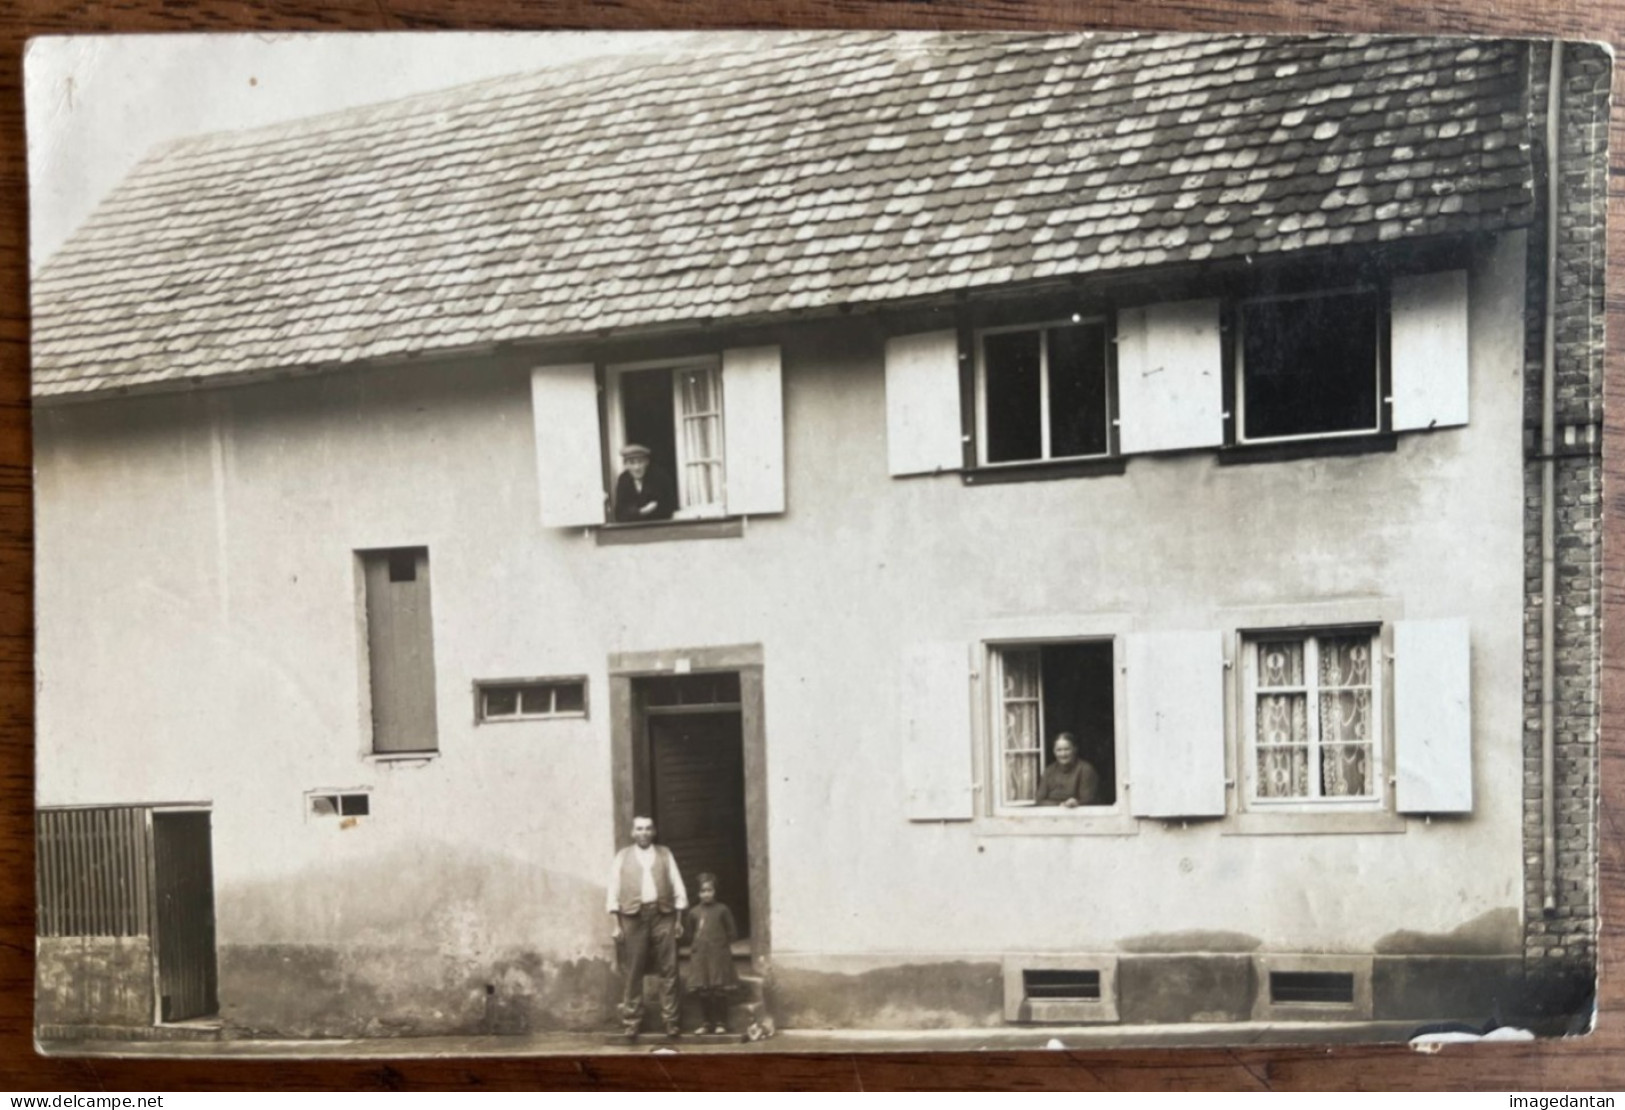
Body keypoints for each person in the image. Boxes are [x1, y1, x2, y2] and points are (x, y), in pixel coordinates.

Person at [606, 815, 688, 1037]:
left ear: (654, 832)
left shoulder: (665, 854)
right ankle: (632, 1020)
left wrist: (679, 920)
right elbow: (613, 890)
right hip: (632, 917)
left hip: (664, 915)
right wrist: (617, 924)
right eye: (639, 829)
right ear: (633, 833)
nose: (643, 832)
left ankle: (671, 1020)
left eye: (648, 828)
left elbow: (677, 885)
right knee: (634, 970)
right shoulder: (623, 857)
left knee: (669, 968)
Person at [686, 872, 740, 1036]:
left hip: (718, 955)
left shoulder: (722, 910)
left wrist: (720, 945)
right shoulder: (694, 912)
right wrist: (698, 946)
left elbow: (732, 933)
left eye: (709, 890)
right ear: (698, 893)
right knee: (703, 990)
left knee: (718, 990)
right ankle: (706, 1023)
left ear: (715, 891)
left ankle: (721, 1023)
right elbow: (689, 934)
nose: (706, 894)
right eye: (703, 891)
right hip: (701, 956)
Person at [612, 444, 677, 523]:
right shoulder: (623, 480)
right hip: (633, 529)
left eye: (640, 462)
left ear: (647, 462)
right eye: (632, 463)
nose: (637, 467)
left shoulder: (659, 477)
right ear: (626, 465)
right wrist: (642, 512)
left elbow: (668, 507)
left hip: (658, 527)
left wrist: (633, 513)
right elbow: (620, 513)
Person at [1034, 733, 1099, 807]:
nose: (1063, 754)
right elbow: (1039, 800)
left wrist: (1076, 803)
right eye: (1059, 750)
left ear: (1075, 749)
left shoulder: (1085, 770)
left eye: (1067, 749)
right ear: (1054, 751)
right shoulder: (1049, 771)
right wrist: (1061, 804)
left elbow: (1088, 800)